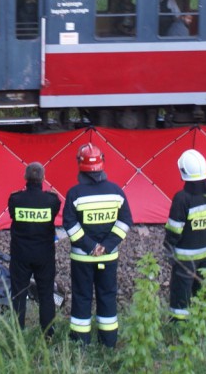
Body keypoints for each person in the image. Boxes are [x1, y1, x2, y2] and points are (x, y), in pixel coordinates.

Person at [63, 143, 132, 348]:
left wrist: (90, 246)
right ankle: (108, 343)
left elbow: (70, 224)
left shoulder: (74, 194)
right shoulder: (116, 192)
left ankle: (80, 343)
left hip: (82, 258)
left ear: (80, 165)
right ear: (102, 163)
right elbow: (125, 222)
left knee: (82, 297)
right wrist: (107, 246)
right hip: (108, 258)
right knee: (107, 296)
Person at [163, 149, 206, 321]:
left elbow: (174, 229)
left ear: (183, 173)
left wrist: (168, 248)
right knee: (204, 289)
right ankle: (204, 320)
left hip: (184, 257)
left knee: (181, 291)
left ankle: (179, 325)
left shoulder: (182, 198)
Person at [7, 162, 62, 338]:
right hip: (44, 255)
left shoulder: (15, 199)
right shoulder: (52, 201)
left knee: (19, 293)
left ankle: (17, 334)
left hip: (20, 255)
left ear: (25, 178)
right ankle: (48, 335)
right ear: (43, 178)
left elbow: (12, 215)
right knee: (46, 294)